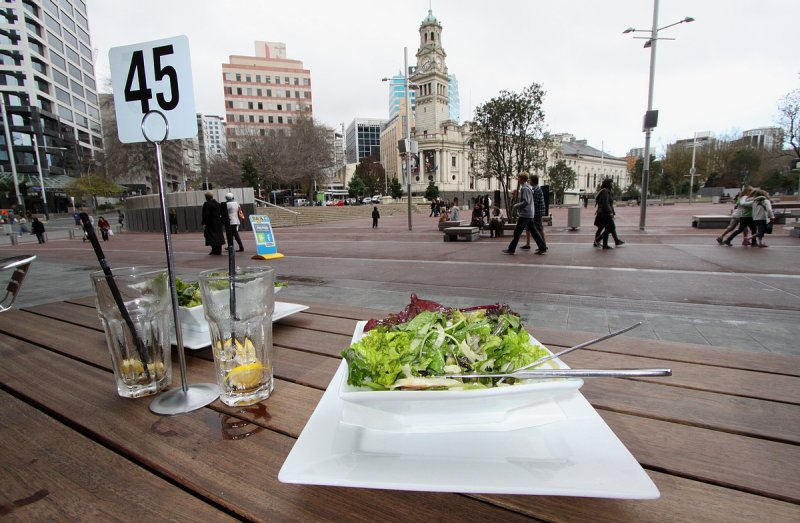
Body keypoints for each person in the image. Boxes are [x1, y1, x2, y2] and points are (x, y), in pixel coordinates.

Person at [502, 172, 547, 255]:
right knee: (533, 231)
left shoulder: (525, 188)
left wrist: (516, 205)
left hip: (525, 214)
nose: (518, 179)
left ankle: (511, 249)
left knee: (517, 231)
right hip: (529, 213)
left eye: (519, 178)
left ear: (522, 178)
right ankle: (542, 247)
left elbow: (526, 201)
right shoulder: (528, 187)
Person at [522, 174, 547, 250]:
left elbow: (533, 203)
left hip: (537, 212)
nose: (528, 181)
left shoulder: (535, 190)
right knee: (529, 228)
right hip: (536, 212)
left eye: (530, 180)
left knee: (539, 228)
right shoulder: (535, 188)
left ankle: (543, 245)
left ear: (533, 181)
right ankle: (528, 243)